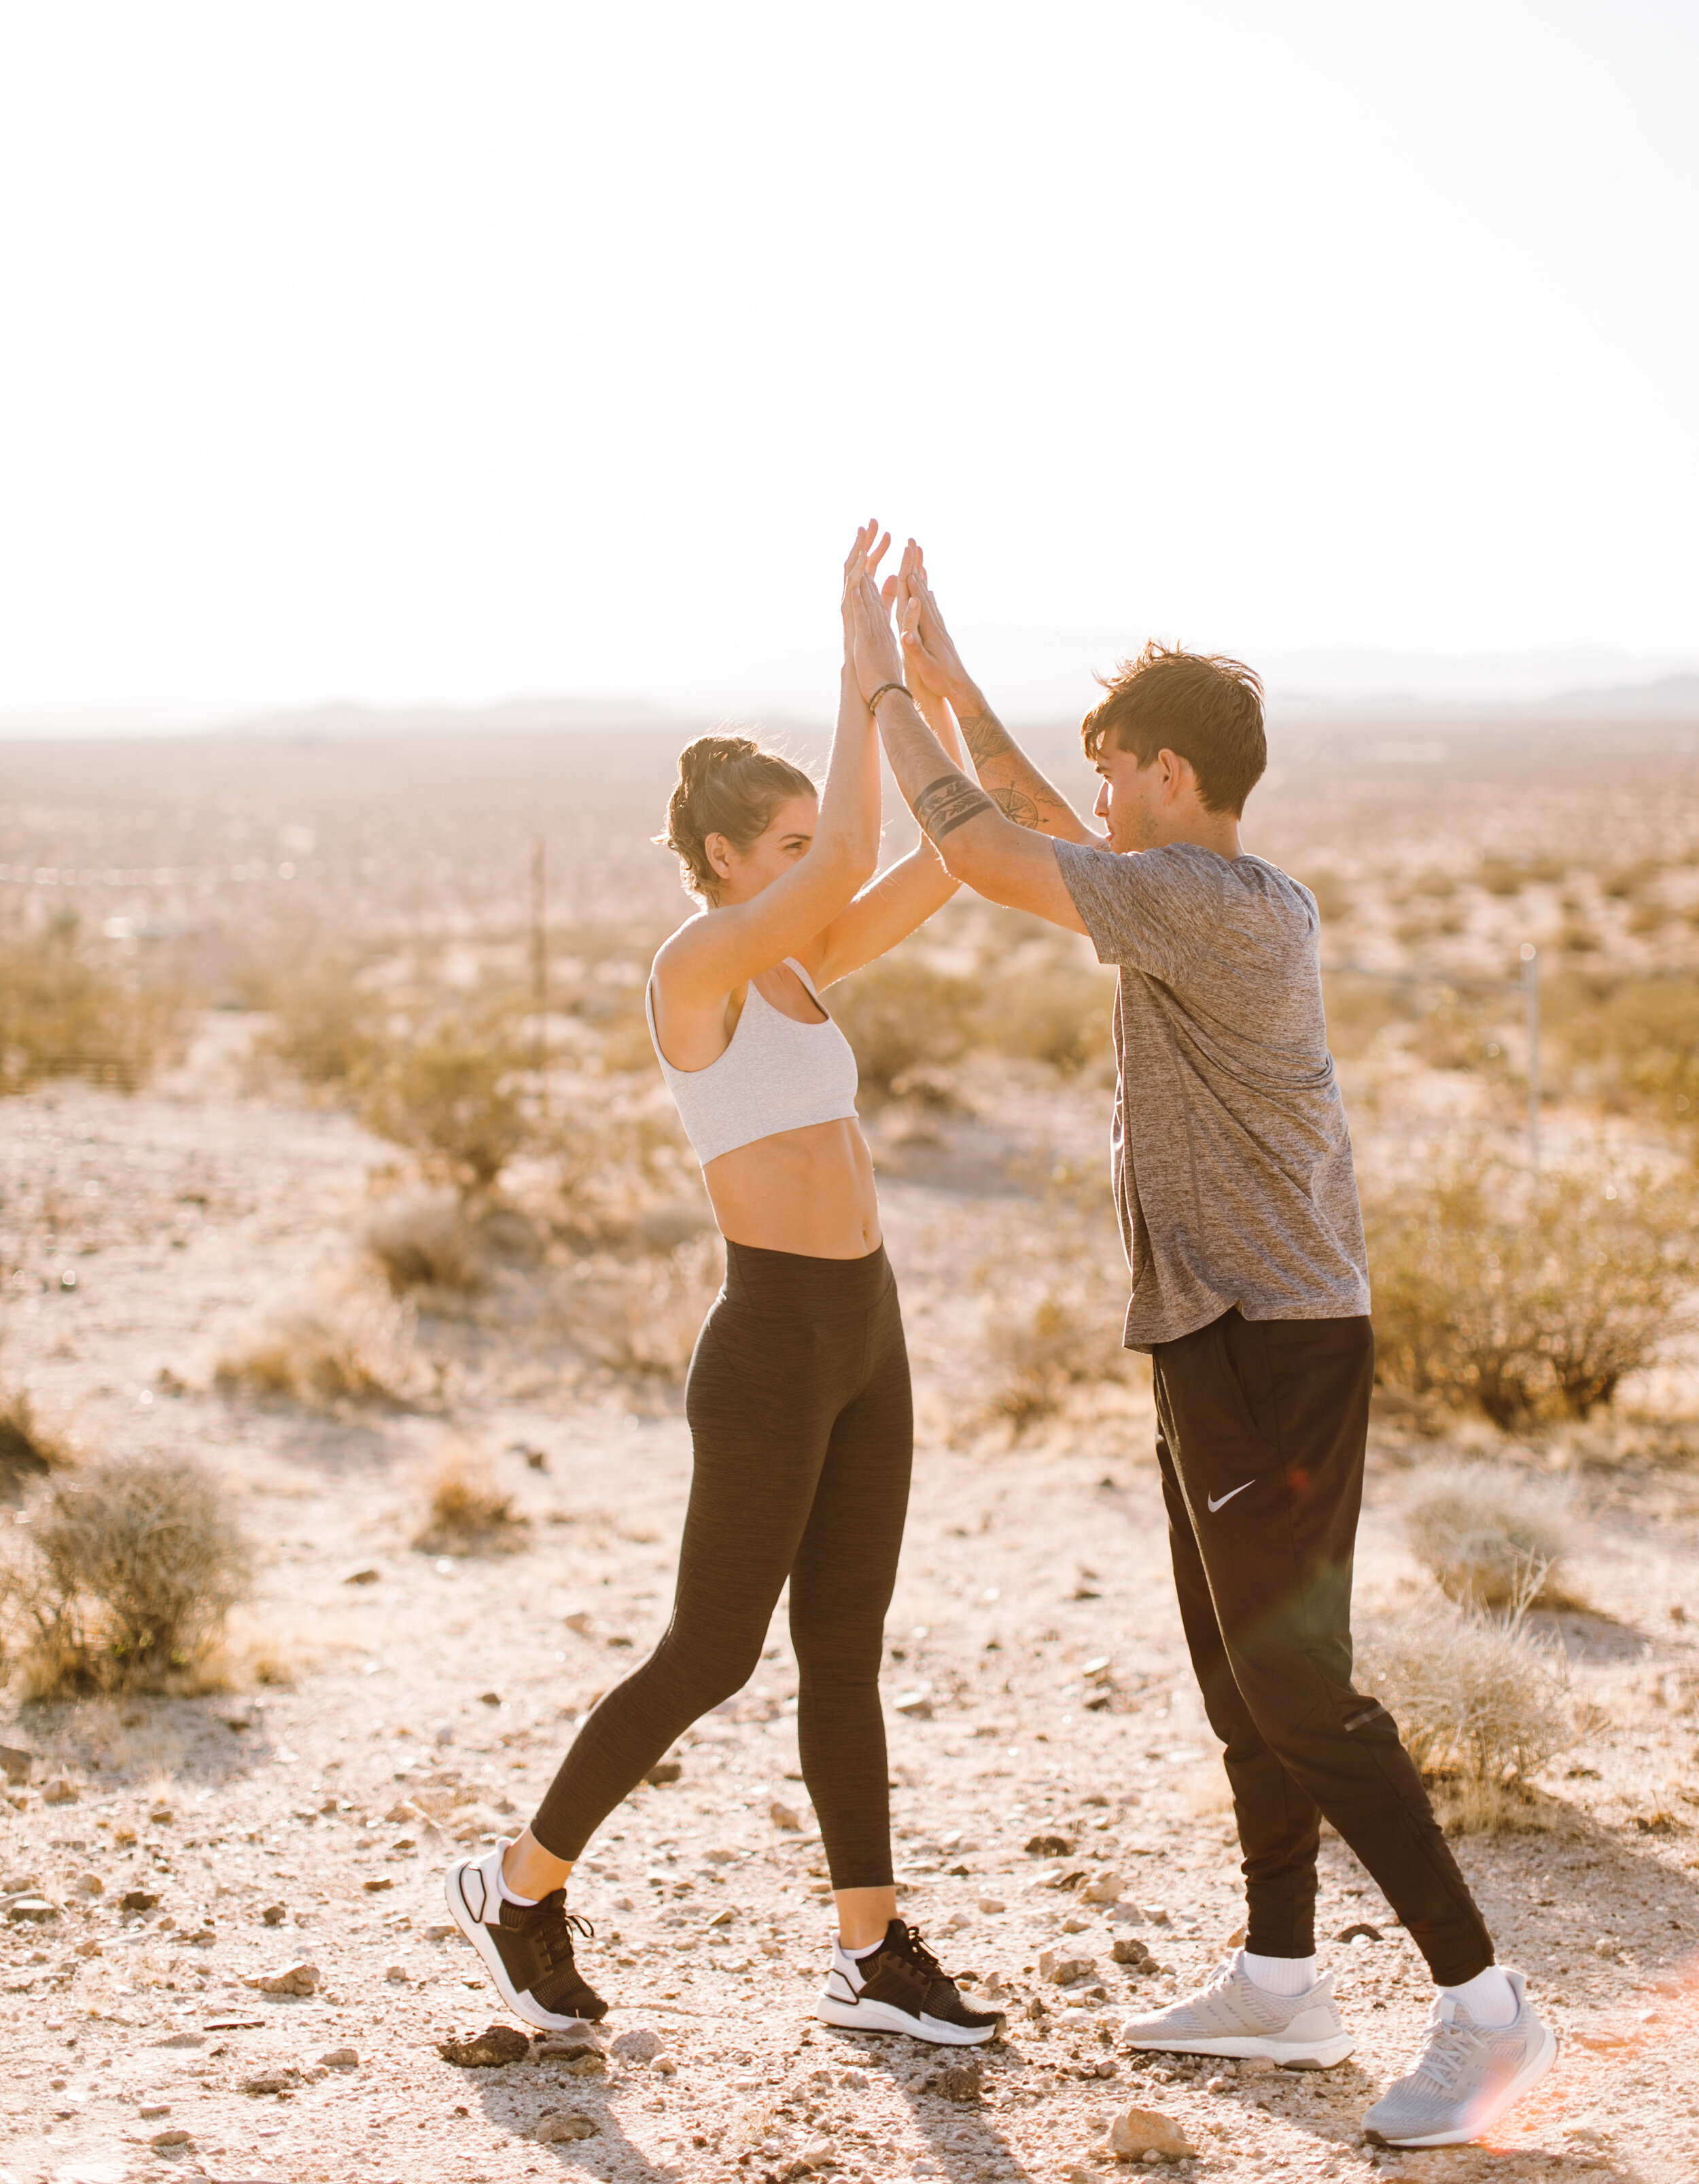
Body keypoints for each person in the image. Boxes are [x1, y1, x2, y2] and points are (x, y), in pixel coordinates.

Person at [843, 545, 1557, 2152]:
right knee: (1243, 1680)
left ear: (1173, 777)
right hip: (1214, 1331)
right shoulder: (1186, 894)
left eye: (1114, 775)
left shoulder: (1211, 910)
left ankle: (1487, 2012)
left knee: (1298, 1688)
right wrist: (952, 684)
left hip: (1270, 1344)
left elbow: (982, 850)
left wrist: (877, 688)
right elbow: (1039, 831)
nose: (1097, 800)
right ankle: (1280, 1976)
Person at [446, 524, 1000, 2050]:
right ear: (715, 866)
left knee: (844, 1650)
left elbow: (945, 855)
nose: (809, 870)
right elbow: (845, 865)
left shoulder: (799, 967)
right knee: (711, 1651)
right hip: (767, 1339)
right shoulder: (691, 968)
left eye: (804, 848)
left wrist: (933, 688)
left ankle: (871, 1956)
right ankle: (518, 1886)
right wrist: (858, 668)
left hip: (866, 1329)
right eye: (780, 851)